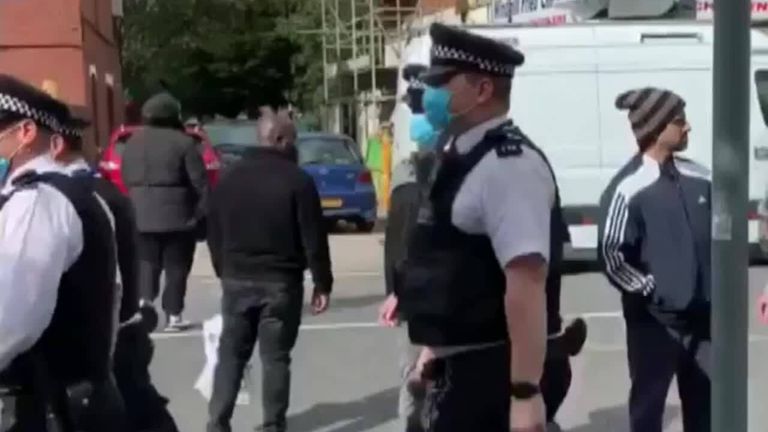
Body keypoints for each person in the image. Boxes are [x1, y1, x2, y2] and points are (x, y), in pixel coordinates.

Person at [394, 23, 566, 432]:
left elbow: (525, 283)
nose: (429, 95)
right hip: (457, 367)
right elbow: (446, 267)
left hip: (492, 374)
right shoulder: (459, 155)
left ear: (483, 90)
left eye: (442, 83)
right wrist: (431, 351)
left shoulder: (508, 167)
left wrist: (525, 393)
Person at [0, 74, 124, 431]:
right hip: (79, 399)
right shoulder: (74, 193)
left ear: (25, 133)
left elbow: (11, 320)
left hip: (49, 407)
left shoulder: (36, 203)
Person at [205, 107, 333, 432]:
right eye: (294, 140)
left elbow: (213, 230)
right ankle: (272, 425)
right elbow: (313, 236)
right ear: (279, 140)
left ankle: (217, 423)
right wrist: (322, 282)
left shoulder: (229, 178)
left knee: (231, 355)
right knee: (275, 358)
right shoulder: (298, 181)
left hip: (236, 277)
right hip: (281, 281)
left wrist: (224, 269)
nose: (297, 146)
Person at [52, 111, 179, 432]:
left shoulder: (66, 200)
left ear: (57, 146)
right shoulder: (107, 193)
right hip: (125, 331)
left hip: (95, 343)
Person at [597, 87, 710, 432]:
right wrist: (649, 288)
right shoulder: (627, 188)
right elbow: (611, 254)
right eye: (679, 121)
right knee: (647, 412)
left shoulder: (702, 177)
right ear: (655, 128)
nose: (687, 127)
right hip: (653, 325)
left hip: (704, 323)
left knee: (707, 413)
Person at [380, 63, 440, 432]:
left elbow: (396, 246)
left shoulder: (412, 179)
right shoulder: (411, 178)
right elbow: (397, 244)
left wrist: (395, 292)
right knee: (419, 373)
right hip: (429, 292)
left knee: (417, 371)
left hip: (425, 293)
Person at [121, 92, 209, 331]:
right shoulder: (183, 142)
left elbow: (125, 175)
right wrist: (201, 211)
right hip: (178, 214)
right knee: (177, 265)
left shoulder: (132, 142)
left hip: (140, 211)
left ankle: (144, 302)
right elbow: (199, 181)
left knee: (146, 261)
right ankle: (173, 314)